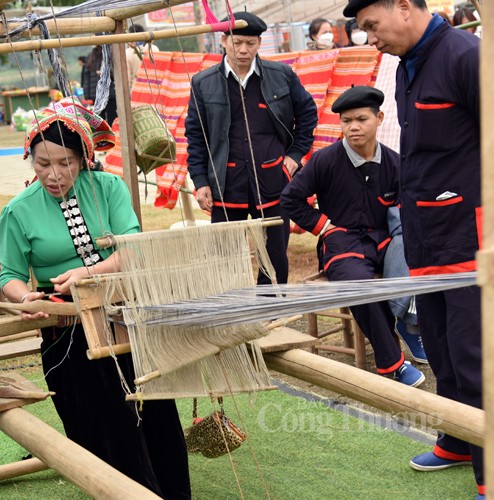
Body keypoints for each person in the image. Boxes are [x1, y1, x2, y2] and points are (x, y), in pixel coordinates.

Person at [0, 98, 191, 499]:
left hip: (126, 322)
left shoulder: (108, 188)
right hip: (67, 334)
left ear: (84, 157)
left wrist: (89, 273)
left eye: (65, 162)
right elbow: (11, 276)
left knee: (156, 421)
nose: (54, 174)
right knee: (104, 432)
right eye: (42, 164)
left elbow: (133, 248)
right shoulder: (18, 211)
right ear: (29, 160)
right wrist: (27, 297)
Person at [347, 0, 483, 497]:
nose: (370, 38)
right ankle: (458, 438)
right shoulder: (406, 64)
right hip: (425, 235)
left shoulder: (466, 57)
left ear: (404, 6)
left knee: (474, 355)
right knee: (441, 348)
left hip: (470, 236)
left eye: (371, 25)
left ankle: (489, 471)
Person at [281, 85, 425, 386]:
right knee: (358, 286)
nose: (354, 127)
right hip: (341, 242)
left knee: (424, 255)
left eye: (361, 119)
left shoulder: (395, 162)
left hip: (385, 241)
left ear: (380, 118)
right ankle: (393, 365)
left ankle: (411, 326)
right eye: (346, 121)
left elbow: (408, 206)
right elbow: (290, 199)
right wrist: (322, 225)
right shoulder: (325, 160)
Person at [185, 11, 318, 286]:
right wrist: (200, 181)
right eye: (237, 42)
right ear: (224, 41)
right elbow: (195, 136)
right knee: (223, 255)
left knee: (275, 256)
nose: (243, 50)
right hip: (225, 181)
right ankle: (233, 313)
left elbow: (307, 114)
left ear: (259, 43)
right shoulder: (203, 82)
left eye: (250, 43)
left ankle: (270, 312)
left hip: (273, 178)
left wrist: (294, 155)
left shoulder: (281, 75)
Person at [86, 45, 118, 125]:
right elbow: (87, 77)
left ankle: (111, 135)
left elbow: (116, 72)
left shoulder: (109, 55)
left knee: (111, 118)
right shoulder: (91, 56)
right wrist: (88, 95)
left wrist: (105, 73)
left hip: (109, 93)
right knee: (99, 119)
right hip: (97, 94)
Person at [126, 24, 159, 88]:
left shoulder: (127, 53)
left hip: (136, 89)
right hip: (154, 88)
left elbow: (128, 78)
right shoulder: (155, 49)